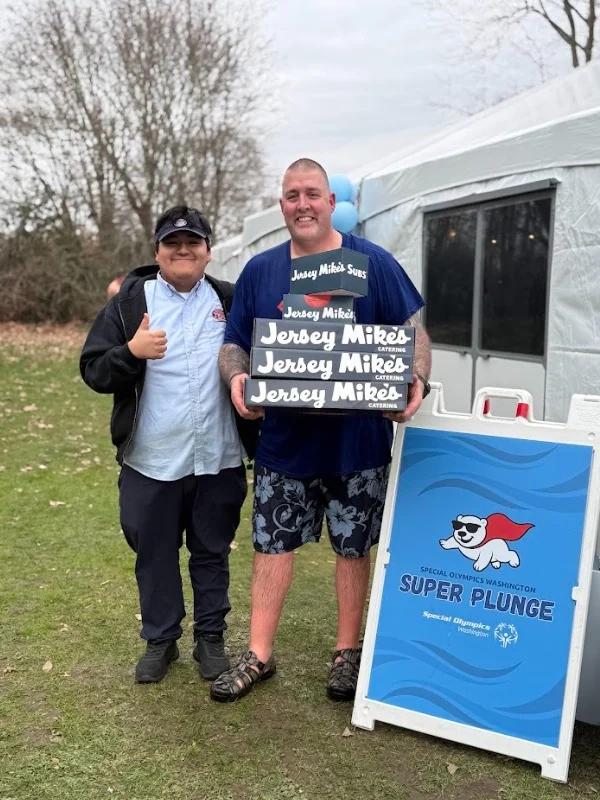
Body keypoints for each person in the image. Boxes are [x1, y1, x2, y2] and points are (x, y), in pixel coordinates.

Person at [213, 159, 432, 703]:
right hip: (284, 444)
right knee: (270, 546)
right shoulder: (262, 271)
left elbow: (413, 332)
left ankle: (346, 654)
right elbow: (235, 342)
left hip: (358, 444)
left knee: (353, 550)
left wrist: (417, 376)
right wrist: (238, 377)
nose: (302, 204)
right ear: (282, 204)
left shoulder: (372, 263)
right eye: (291, 195)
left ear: (332, 202)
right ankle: (258, 655)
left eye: (312, 193)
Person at [80, 205, 258, 684]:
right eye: (172, 243)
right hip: (151, 460)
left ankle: (210, 638)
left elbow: (259, 362)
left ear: (207, 252)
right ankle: (161, 640)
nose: (183, 251)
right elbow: (94, 370)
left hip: (217, 456)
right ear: (157, 251)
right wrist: (130, 354)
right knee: (154, 554)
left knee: (211, 551)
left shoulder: (233, 300)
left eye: (192, 243)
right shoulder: (128, 304)